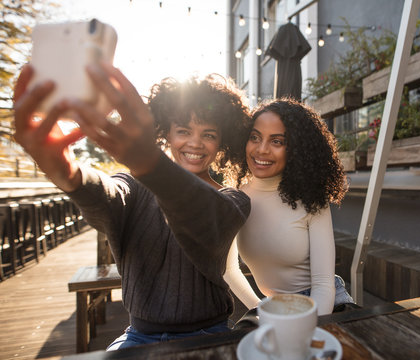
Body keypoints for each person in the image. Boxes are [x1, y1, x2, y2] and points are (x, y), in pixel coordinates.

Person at [12, 63, 251, 349]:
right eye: (183, 131)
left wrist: (150, 164)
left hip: (210, 336)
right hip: (138, 337)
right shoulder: (134, 185)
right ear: (166, 134)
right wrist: (68, 172)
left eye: (209, 134)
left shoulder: (234, 200)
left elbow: (208, 220)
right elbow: (106, 195)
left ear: (222, 141)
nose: (195, 143)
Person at [224, 98, 353, 316]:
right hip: (274, 307)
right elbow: (228, 270)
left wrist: (307, 328)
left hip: (325, 303)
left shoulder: (312, 200)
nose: (262, 150)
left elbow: (323, 284)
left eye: (277, 141)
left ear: (295, 149)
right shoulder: (234, 197)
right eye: (255, 137)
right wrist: (261, 309)